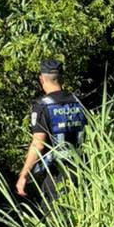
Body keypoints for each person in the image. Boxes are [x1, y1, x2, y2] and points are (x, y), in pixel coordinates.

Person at [15, 59, 87, 218]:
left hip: (56, 174)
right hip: (82, 170)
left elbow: (38, 144)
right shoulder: (79, 102)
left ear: (41, 79)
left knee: (56, 220)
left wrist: (24, 175)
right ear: (62, 78)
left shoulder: (42, 106)